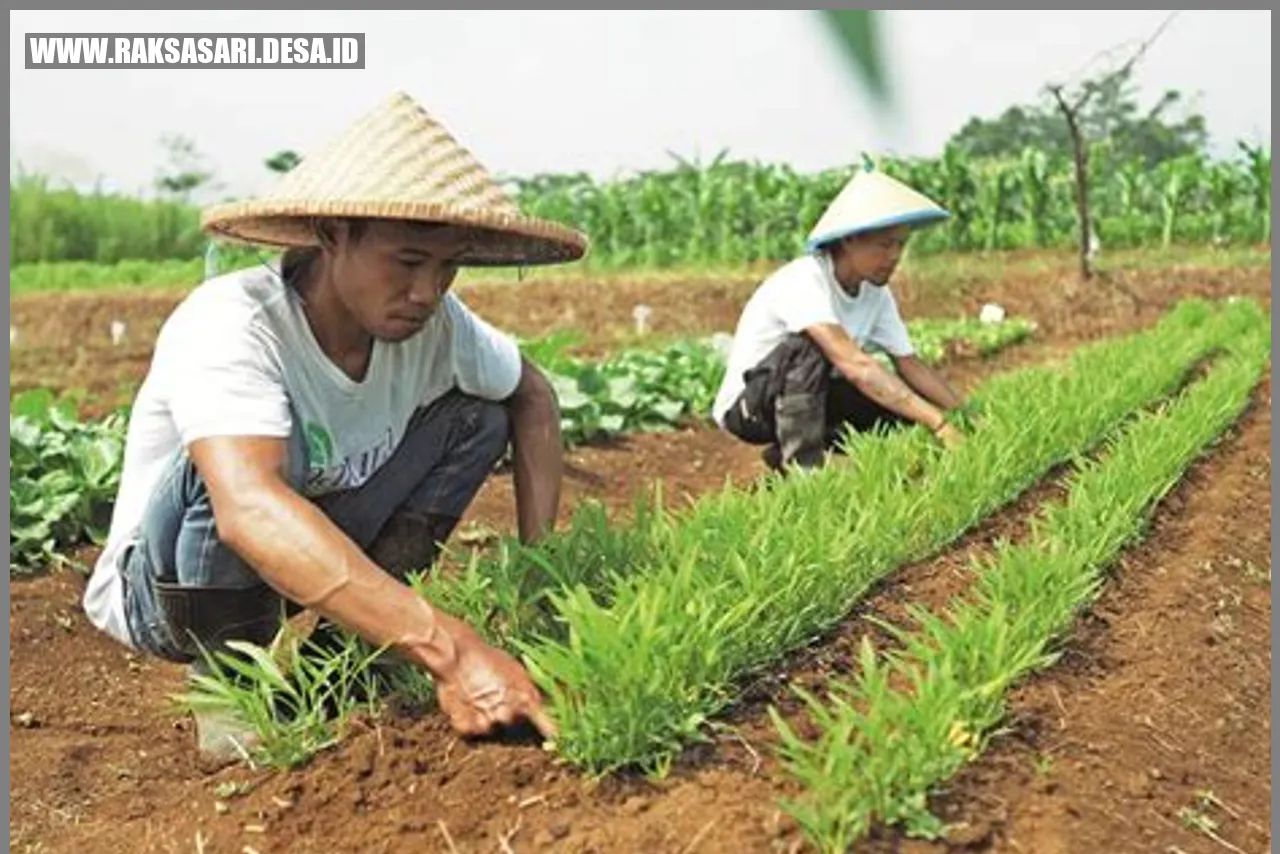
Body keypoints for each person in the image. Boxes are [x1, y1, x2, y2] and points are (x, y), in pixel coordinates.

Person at [82, 91, 589, 767]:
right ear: (332, 232)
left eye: (447, 266)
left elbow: (533, 396)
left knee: (478, 417)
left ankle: (345, 660)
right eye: (408, 262)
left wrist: (539, 574)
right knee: (238, 466)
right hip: (168, 591)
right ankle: (233, 691)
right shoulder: (234, 323)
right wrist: (455, 649)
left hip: (301, 555)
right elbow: (248, 510)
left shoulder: (439, 327)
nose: (428, 290)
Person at [712, 162, 968, 470]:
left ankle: (795, 457)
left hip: (811, 400)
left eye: (901, 245)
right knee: (812, 348)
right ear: (849, 240)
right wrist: (938, 423)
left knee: (898, 407)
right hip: (751, 409)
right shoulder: (805, 280)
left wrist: (966, 416)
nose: (895, 256)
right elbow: (855, 364)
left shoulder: (876, 294)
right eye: (885, 244)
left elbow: (910, 364)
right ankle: (804, 468)